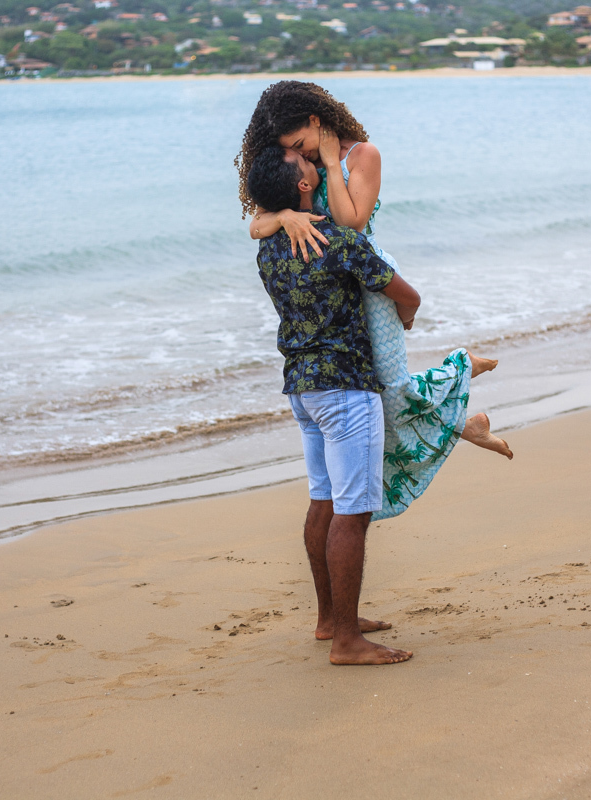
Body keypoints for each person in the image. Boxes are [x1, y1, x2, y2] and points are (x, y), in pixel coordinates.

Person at [237, 81, 511, 523]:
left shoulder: (360, 156)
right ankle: (464, 422)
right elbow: (256, 225)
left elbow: (352, 225)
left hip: (367, 279)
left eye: (301, 145)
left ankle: (461, 369)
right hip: (331, 291)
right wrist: (285, 215)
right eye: (295, 152)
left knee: (389, 384)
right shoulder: (300, 173)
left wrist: (328, 165)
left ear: (315, 122)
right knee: (377, 394)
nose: (301, 157)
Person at [248, 144, 416, 665]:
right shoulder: (339, 243)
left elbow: (260, 224)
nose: (317, 167)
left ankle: (329, 619)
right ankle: (347, 640)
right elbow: (405, 295)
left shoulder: (268, 247)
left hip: (302, 388)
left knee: (324, 500)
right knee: (352, 510)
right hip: (345, 387)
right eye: (309, 167)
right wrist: (405, 320)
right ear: (303, 188)